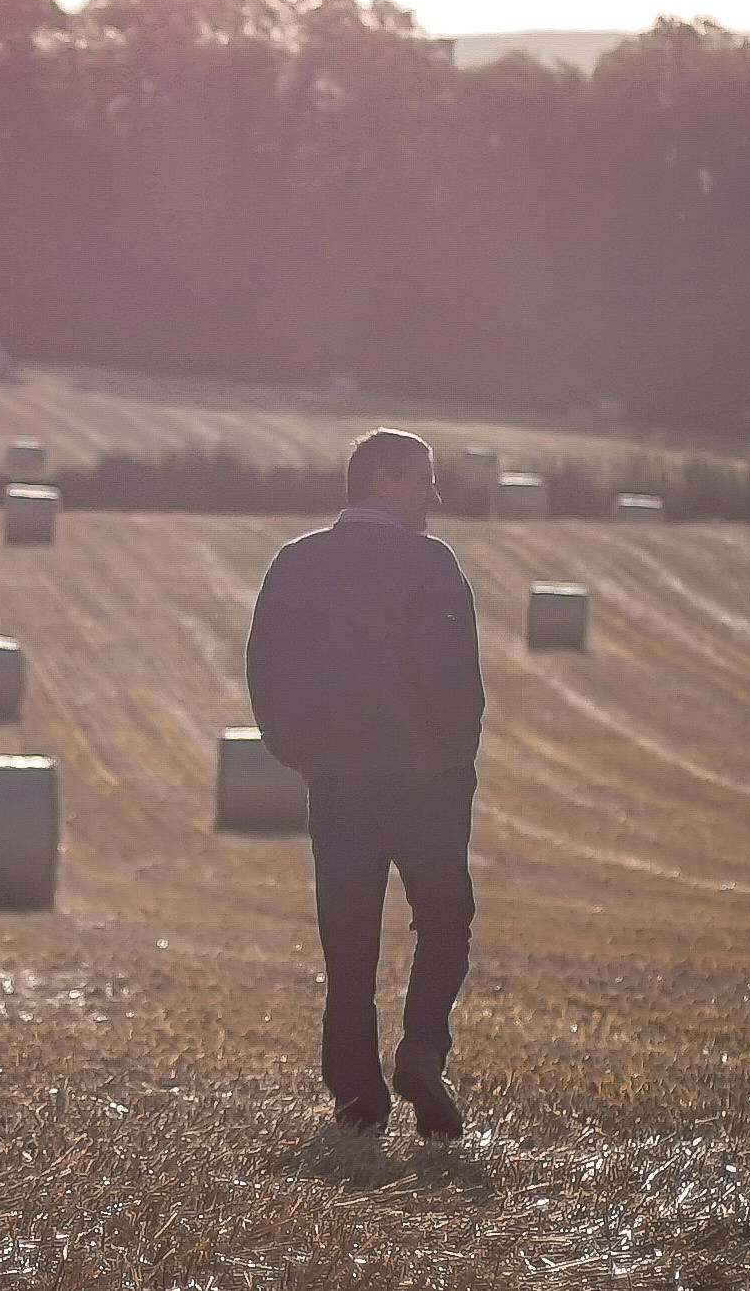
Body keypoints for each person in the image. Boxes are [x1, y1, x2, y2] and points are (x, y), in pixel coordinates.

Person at [243, 427, 485, 1138]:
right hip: (425, 787)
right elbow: (457, 681)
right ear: (381, 480)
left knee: (347, 947)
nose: (433, 498)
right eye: (421, 481)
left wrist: (300, 757)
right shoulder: (430, 565)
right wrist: (452, 760)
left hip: (340, 786)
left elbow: (265, 671)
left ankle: (357, 1099)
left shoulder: (295, 564)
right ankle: (421, 1050)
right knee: (444, 922)